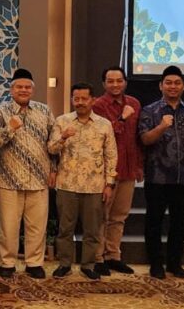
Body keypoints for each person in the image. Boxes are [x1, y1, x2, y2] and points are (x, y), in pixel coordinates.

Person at [49, 82, 118, 280]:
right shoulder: (62, 121)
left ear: (93, 100)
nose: (80, 102)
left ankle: (88, 265)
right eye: (76, 99)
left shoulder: (104, 124)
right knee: (65, 229)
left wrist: (109, 183)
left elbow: (111, 155)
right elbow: (51, 149)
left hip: (94, 186)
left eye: (84, 99)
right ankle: (64, 264)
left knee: (92, 231)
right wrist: (63, 137)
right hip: (67, 184)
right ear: (72, 100)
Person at [0, 68, 54, 279]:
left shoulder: (44, 111)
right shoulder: (1, 111)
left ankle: (34, 263)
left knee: (37, 226)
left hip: (39, 178)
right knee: (9, 227)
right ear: (11, 90)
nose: (23, 90)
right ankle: (7, 263)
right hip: (9, 180)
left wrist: (54, 169)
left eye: (27, 87)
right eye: (19, 86)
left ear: (32, 90)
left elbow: (52, 143)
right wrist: (10, 128)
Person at [138, 65, 184, 279]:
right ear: (160, 86)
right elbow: (145, 140)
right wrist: (162, 126)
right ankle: (156, 263)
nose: (173, 86)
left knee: (179, 223)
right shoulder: (149, 110)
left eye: (177, 83)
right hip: (157, 176)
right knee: (154, 221)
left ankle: (175, 263)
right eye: (168, 83)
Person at [91, 67, 141, 276]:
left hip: (128, 169)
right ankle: (97, 257)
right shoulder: (97, 105)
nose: (115, 85)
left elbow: (137, 137)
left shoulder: (134, 103)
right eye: (110, 81)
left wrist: (139, 165)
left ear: (125, 82)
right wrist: (122, 118)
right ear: (104, 84)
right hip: (107, 171)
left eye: (119, 80)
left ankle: (113, 256)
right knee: (101, 216)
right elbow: (102, 135)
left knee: (119, 216)